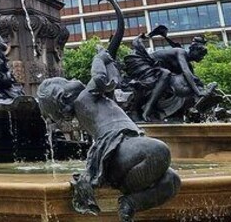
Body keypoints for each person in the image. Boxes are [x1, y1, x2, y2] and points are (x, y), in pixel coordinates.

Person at [37, 47, 180, 221]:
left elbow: (110, 81)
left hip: (126, 155)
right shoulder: (84, 98)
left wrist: (109, 61)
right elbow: (99, 78)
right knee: (159, 150)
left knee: (172, 180)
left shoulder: (93, 100)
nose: (74, 79)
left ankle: (130, 203)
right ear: (63, 95)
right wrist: (99, 58)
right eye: (67, 81)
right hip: (118, 149)